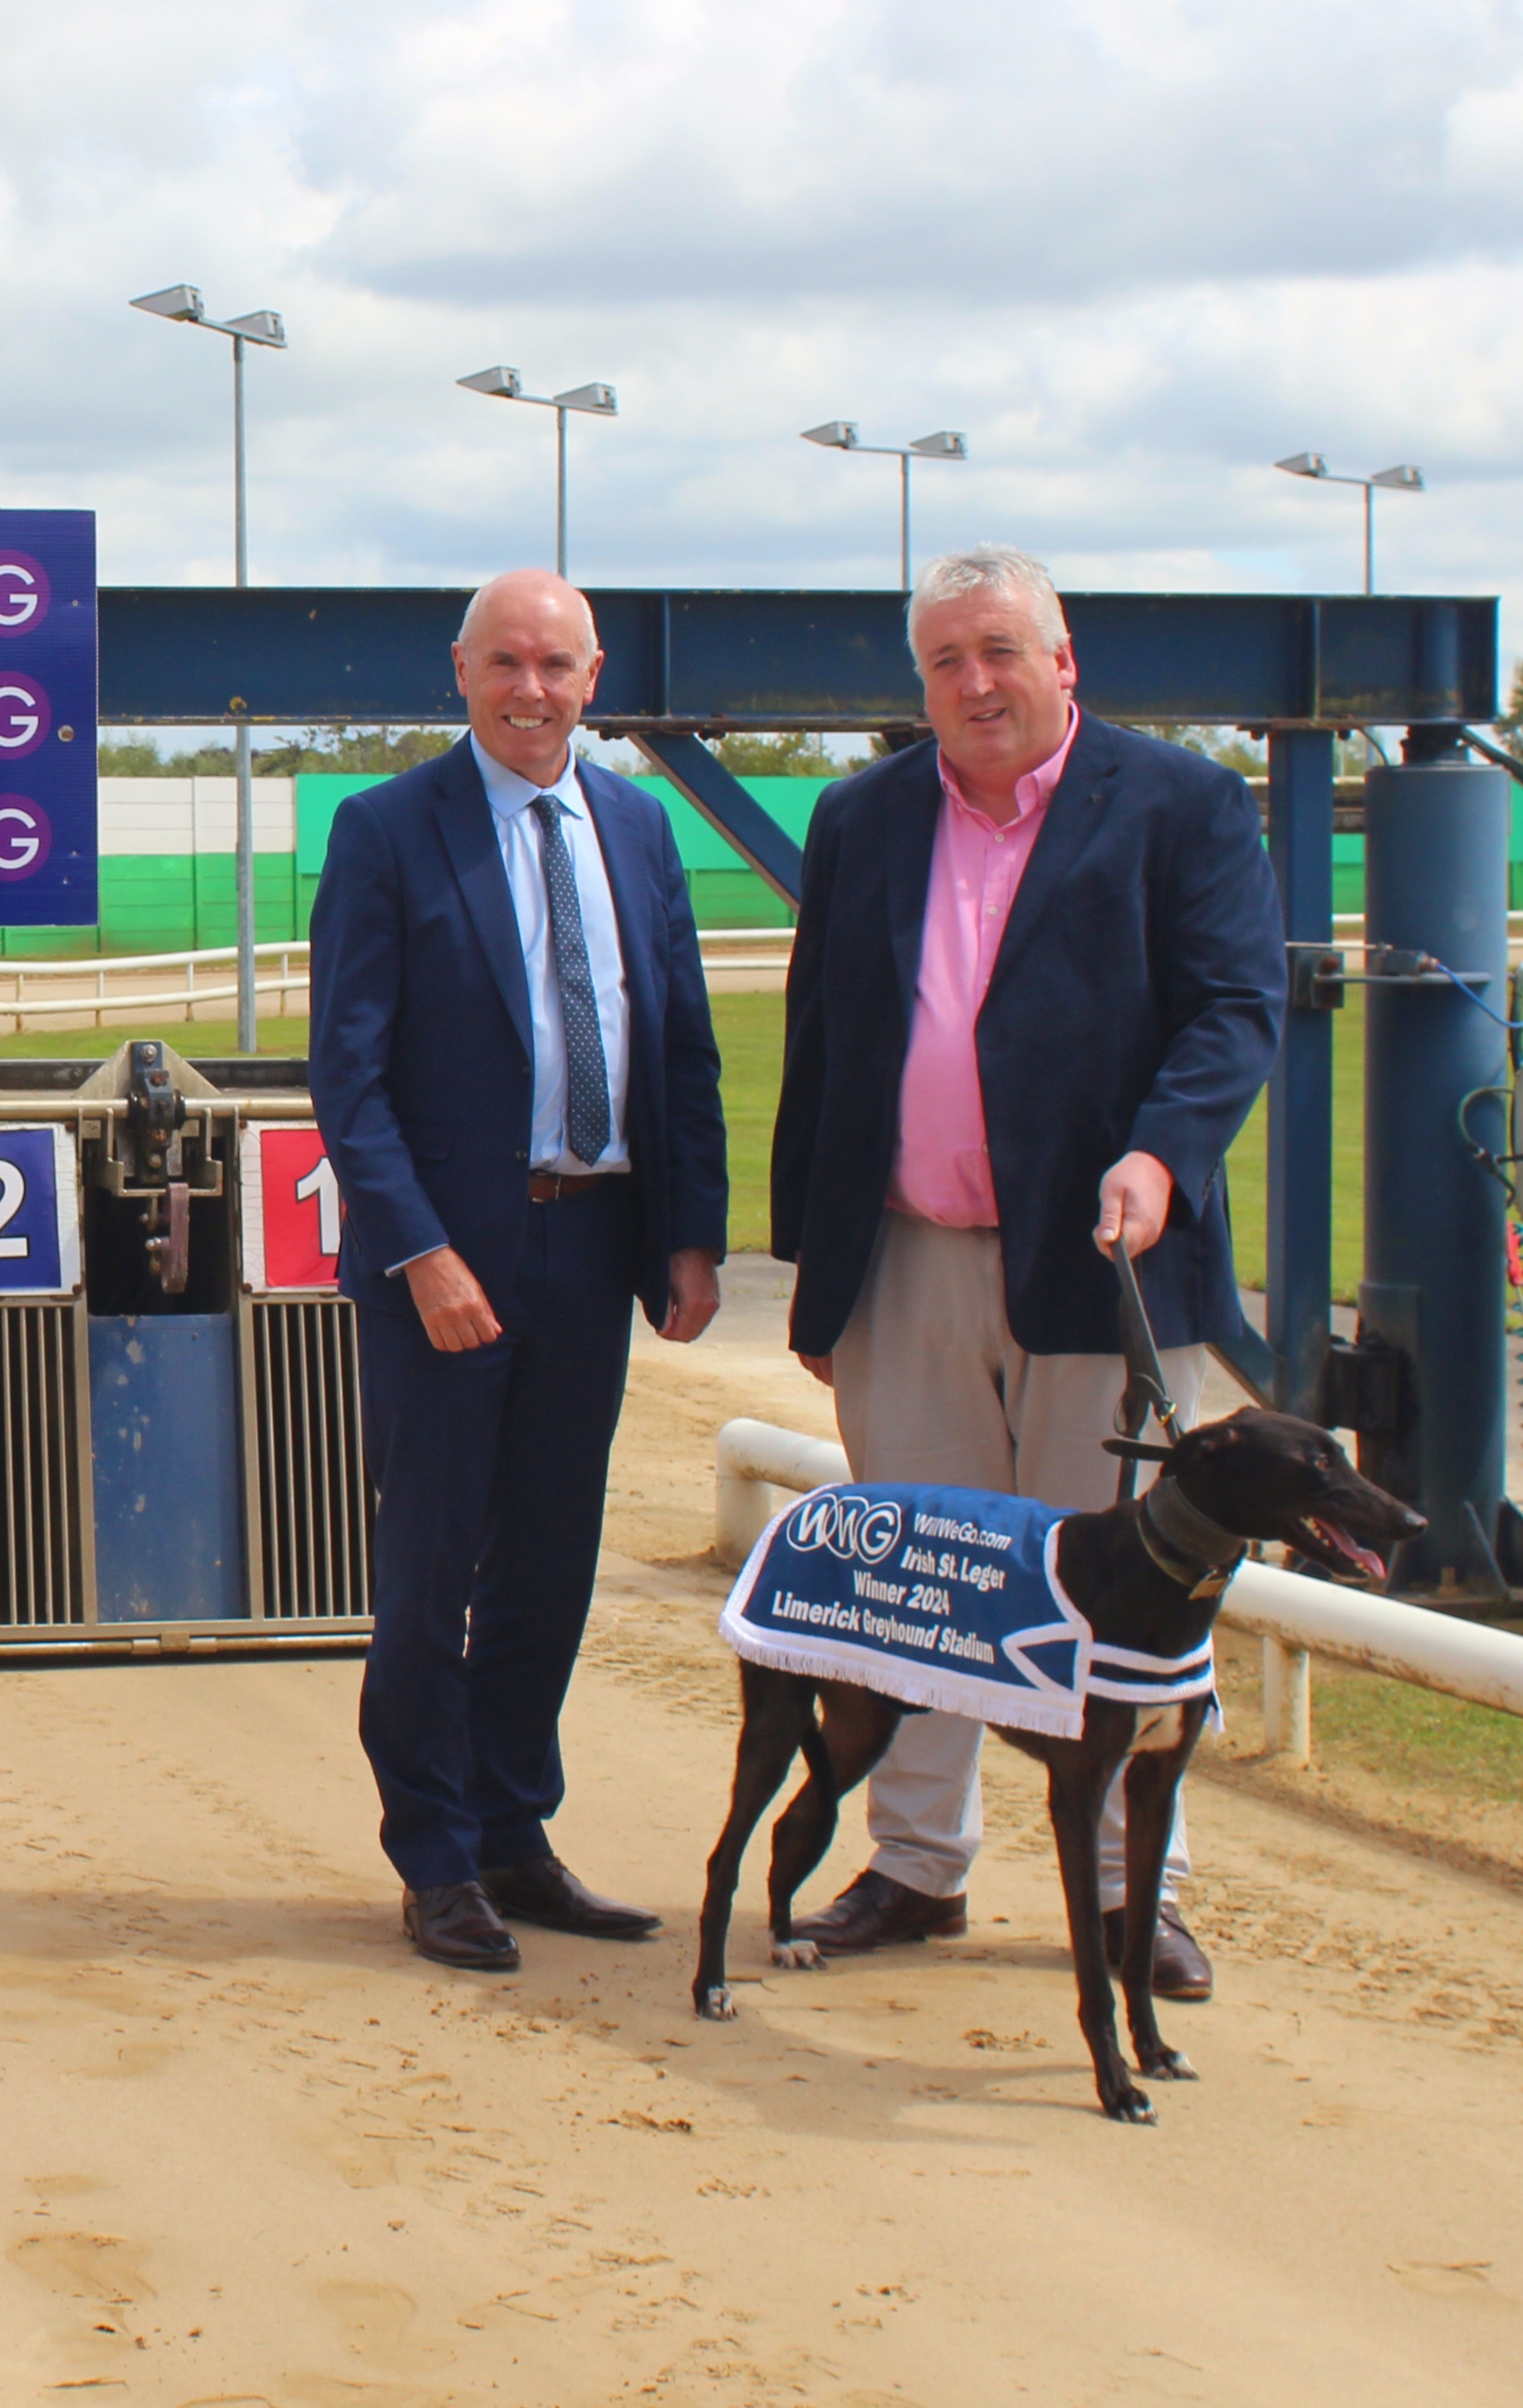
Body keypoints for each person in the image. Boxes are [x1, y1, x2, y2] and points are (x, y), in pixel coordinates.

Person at [771, 544, 1281, 1998]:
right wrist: (819, 1280)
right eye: (944, 660)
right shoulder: (861, 817)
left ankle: (1134, 1890)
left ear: (1064, 661)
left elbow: (1234, 1008)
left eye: (999, 650)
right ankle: (916, 1866)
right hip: (906, 1266)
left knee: (1120, 1599)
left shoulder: (1180, 802)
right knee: (923, 1586)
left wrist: (1164, 1153)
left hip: (1105, 1268)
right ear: (920, 682)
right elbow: (821, 1049)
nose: (974, 682)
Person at [308, 568, 727, 1973]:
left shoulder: (637, 827)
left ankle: (511, 1831)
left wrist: (687, 1233)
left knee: (548, 1564)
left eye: (554, 664)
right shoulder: (385, 832)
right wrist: (421, 1250)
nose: (529, 689)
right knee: (434, 1568)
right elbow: (348, 1081)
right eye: (504, 663)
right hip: (448, 1259)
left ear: (592, 675)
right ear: (461, 670)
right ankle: (430, 1857)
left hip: (596, 1239)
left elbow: (677, 1044)